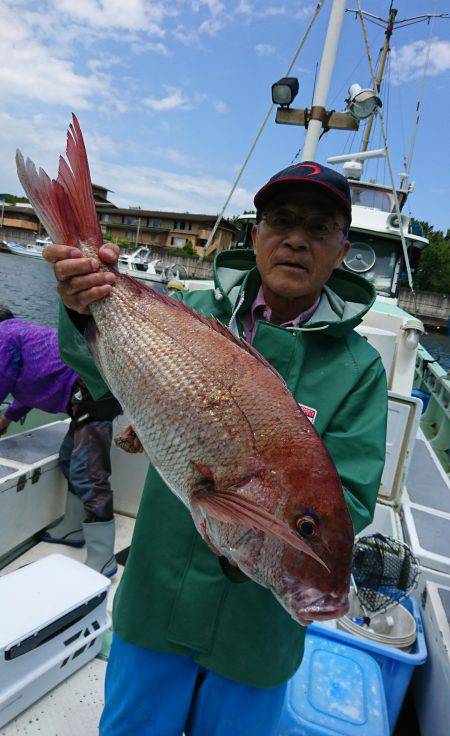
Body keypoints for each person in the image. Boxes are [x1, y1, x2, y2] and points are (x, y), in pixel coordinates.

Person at [44, 161, 388, 736]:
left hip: (256, 638)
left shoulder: (360, 369)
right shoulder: (193, 312)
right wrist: (81, 309)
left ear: (342, 248)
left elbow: (347, 501)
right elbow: (99, 378)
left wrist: (271, 530)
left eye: (319, 226)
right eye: (280, 220)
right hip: (157, 593)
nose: (296, 239)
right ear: (254, 234)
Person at [0, 307, 121, 576]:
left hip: (93, 389)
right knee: (69, 457)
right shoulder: (19, 332)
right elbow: (27, 380)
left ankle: (103, 558)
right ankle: (73, 526)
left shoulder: (3, 336)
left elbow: (2, 380)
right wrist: (8, 418)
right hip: (88, 389)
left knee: (88, 472)